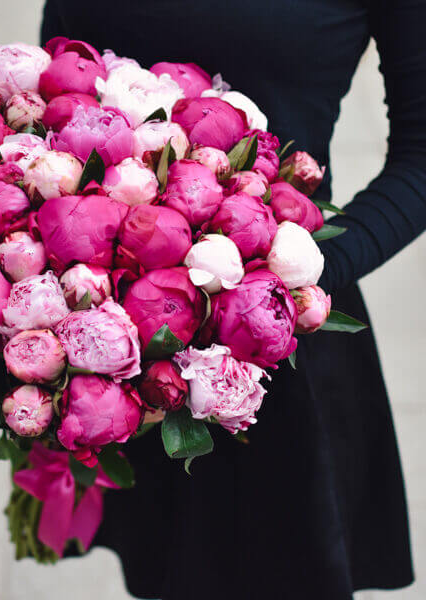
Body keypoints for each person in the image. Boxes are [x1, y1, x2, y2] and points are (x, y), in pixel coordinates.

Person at [41, 2, 426, 598]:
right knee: (160, 567)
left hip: (279, 350)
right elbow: (59, 83)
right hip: (119, 352)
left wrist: (292, 280)